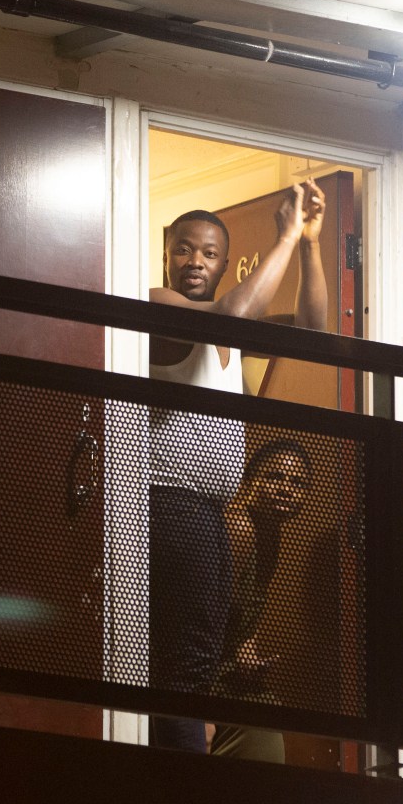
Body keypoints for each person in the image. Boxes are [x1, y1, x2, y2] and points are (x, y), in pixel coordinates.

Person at [148, 179, 327, 753]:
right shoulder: (159, 305)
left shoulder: (229, 323)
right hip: (171, 506)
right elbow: (226, 317)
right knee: (187, 665)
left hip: (210, 512)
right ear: (167, 256)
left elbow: (314, 332)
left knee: (201, 657)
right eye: (183, 248)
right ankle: (180, 796)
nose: (194, 261)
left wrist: (308, 245)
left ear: (226, 263)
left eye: (208, 253)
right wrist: (282, 232)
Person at [211, 438, 312, 763]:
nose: (287, 489)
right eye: (275, 477)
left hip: (231, 679)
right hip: (204, 680)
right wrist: (200, 713)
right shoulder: (240, 527)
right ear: (250, 479)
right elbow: (202, 619)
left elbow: (242, 617)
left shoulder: (270, 536)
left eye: (298, 483)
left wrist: (247, 652)